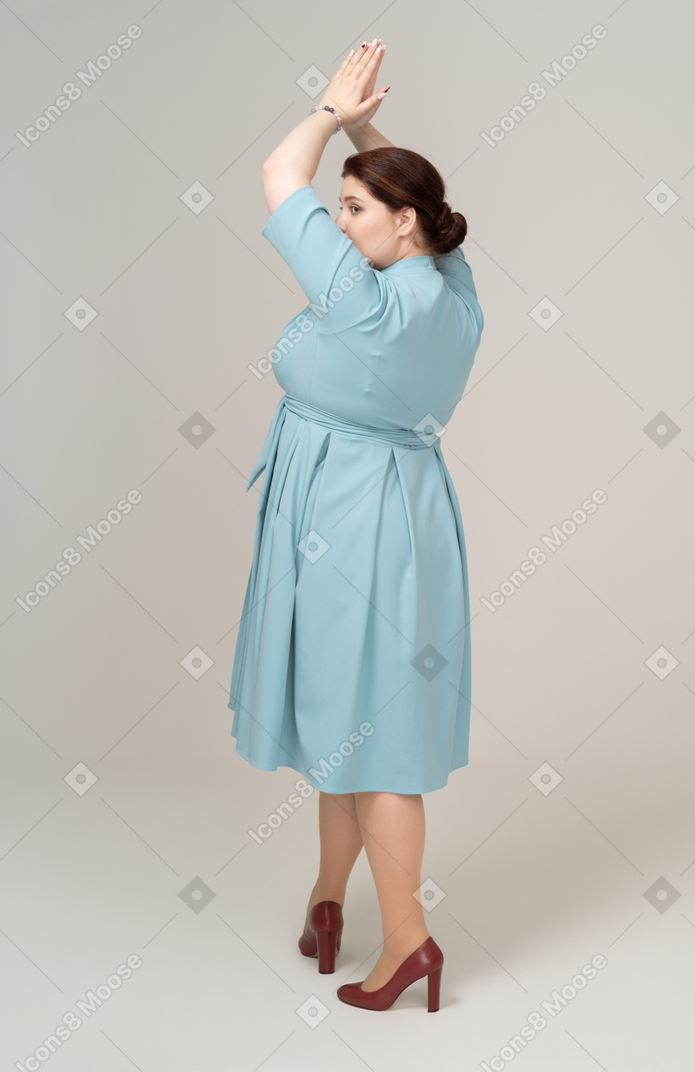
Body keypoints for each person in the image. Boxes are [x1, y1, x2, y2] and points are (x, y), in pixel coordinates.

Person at [227, 37, 484, 1012]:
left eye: (355, 207)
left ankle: (408, 938)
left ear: (402, 223)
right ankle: (328, 900)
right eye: (340, 206)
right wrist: (373, 136)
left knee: (369, 730)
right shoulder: (451, 289)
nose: (336, 222)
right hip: (403, 507)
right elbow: (415, 207)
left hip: (342, 507)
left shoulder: (359, 296)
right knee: (348, 718)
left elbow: (275, 170)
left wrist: (331, 110)